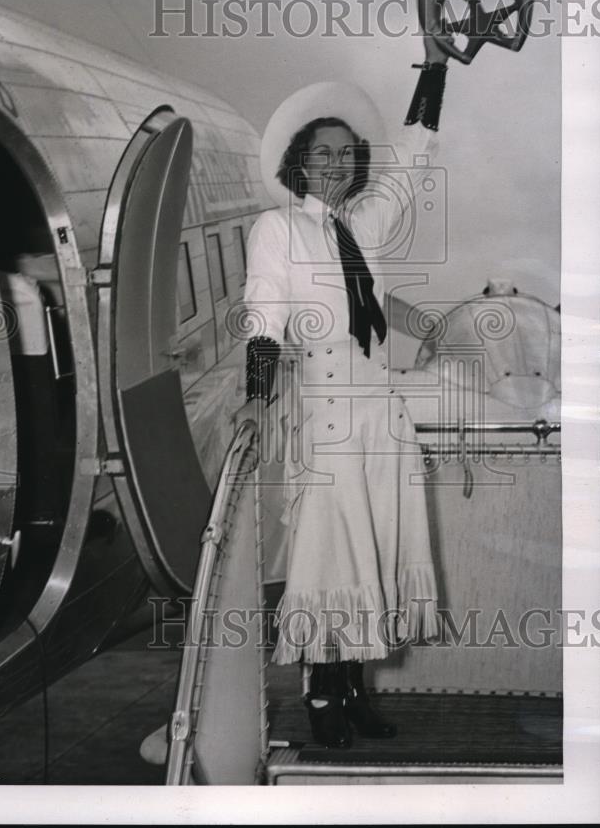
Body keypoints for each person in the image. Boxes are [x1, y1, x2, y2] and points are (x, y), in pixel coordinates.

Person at [233, 46, 448, 749]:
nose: (337, 163)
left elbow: (412, 161)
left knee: (373, 549)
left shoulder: (365, 225)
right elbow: (263, 316)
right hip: (324, 414)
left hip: (378, 414)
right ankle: (321, 702)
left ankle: (355, 694)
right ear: (299, 160)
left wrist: (436, 67)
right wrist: (256, 399)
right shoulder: (278, 229)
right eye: (323, 153)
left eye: (347, 154)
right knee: (329, 554)